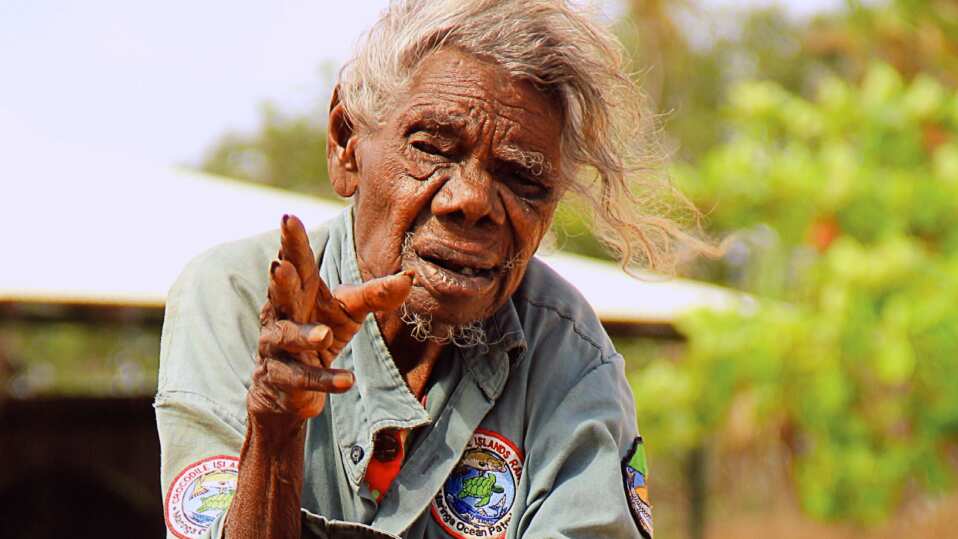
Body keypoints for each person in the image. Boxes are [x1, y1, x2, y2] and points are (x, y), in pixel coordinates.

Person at [156, 1, 701, 537]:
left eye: (522, 178)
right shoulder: (232, 297)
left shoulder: (568, 355)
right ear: (346, 143)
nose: (472, 201)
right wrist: (274, 433)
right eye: (432, 149)